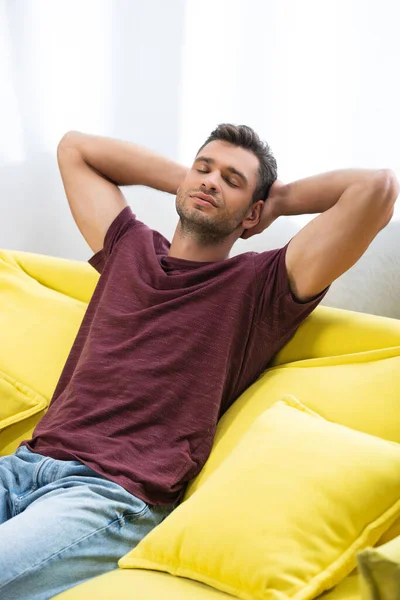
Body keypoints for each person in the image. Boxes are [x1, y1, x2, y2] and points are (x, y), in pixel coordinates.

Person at [0, 123, 397, 600]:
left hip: (109, 494)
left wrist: (275, 202)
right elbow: (75, 148)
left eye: (232, 180)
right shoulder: (129, 249)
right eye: (204, 168)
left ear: (253, 212)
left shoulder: (260, 286)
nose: (211, 181)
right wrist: (191, 181)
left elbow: (376, 188)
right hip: (24, 463)